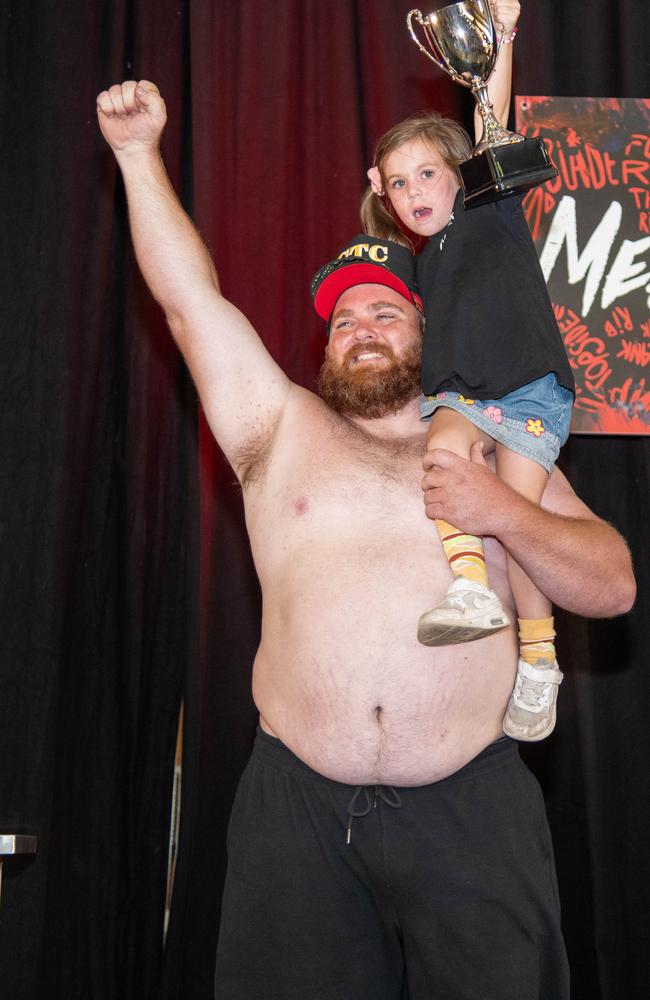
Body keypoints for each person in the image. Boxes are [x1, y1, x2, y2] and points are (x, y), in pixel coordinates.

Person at [96, 79, 635, 1000]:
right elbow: (190, 305)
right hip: (297, 809)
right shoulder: (280, 429)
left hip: (474, 801)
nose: (362, 328)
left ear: (433, 326)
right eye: (344, 318)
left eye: (386, 310)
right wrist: (138, 155)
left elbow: (613, 584)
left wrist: (503, 512)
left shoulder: (501, 440)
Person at [361, 1, 575, 743]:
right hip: (461, 394)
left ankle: (539, 662)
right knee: (442, 450)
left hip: (530, 391)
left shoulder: (489, 210)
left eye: (428, 173)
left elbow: (491, 112)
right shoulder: (421, 262)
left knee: (519, 530)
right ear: (382, 193)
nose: (416, 192)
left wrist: (504, 35)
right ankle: (468, 588)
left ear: (462, 174)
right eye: (399, 184)